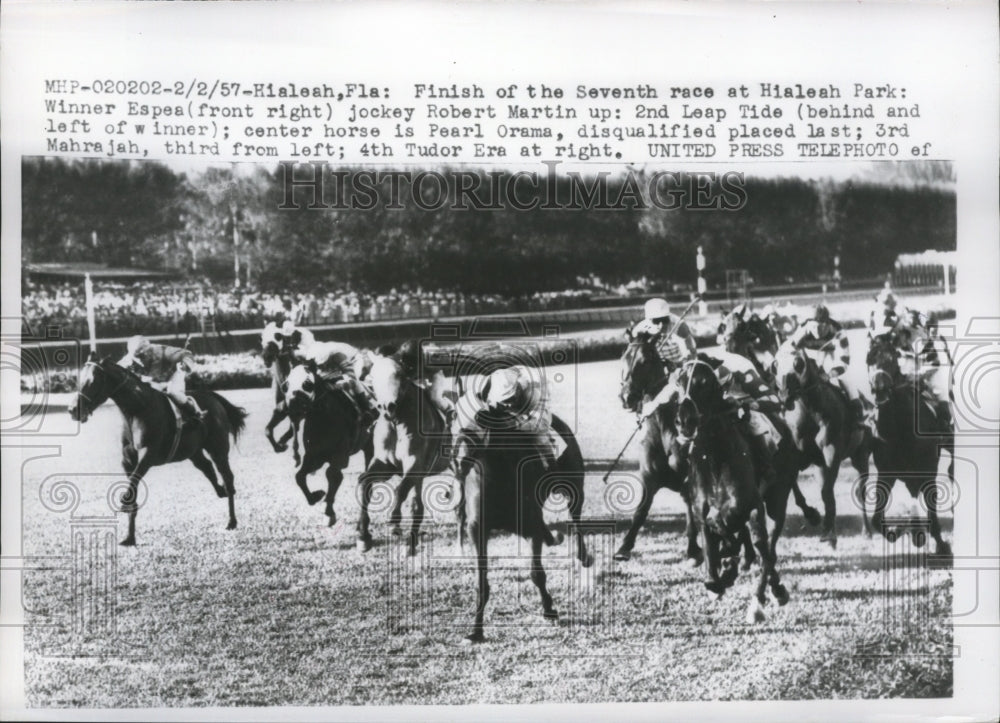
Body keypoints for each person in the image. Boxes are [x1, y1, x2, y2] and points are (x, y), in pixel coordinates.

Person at [789, 305, 867, 426]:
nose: (817, 330)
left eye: (821, 325)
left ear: (827, 323)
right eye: (814, 325)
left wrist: (830, 374)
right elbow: (790, 351)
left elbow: (845, 360)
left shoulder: (838, 330)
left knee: (847, 380)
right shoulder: (803, 328)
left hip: (829, 356)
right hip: (807, 356)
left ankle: (858, 415)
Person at [118, 335, 206, 425]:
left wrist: (184, 365)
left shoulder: (162, 350)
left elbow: (186, 354)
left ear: (150, 349)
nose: (141, 359)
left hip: (172, 377)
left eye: (144, 354)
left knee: (173, 392)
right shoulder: (126, 361)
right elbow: (117, 372)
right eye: (138, 356)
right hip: (153, 383)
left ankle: (194, 413)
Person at [296, 338, 379, 428]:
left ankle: (367, 408)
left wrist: (338, 386)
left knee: (356, 382)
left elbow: (351, 376)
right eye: (320, 365)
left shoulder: (339, 355)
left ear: (329, 357)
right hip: (330, 372)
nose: (323, 366)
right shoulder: (310, 357)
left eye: (324, 363)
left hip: (352, 362)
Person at [632, 298, 697, 371]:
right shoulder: (640, 330)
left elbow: (691, 354)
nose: (661, 325)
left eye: (664, 320)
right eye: (656, 321)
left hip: (679, 365)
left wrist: (678, 364)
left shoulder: (680, 326)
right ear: (649, 320)